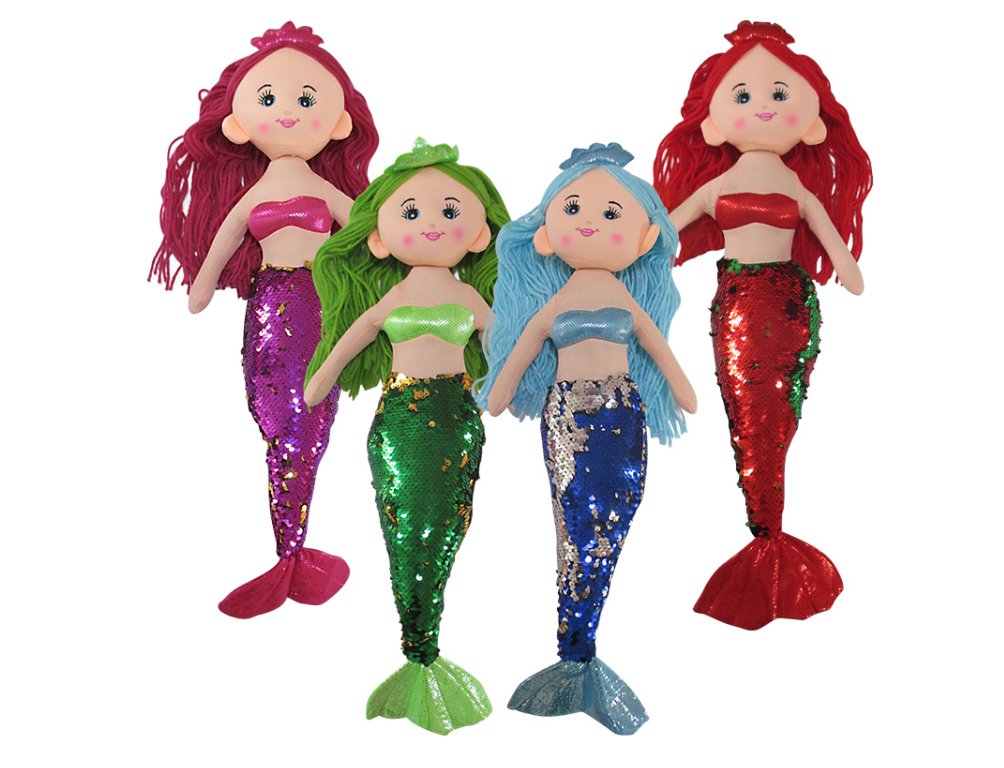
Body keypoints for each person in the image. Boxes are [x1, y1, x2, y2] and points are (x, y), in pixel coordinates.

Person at [151, 22, 378, 618]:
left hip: (319, 304)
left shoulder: (323, 189)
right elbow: (226, 239)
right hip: (269, 307)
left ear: (337, 123)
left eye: (306, 99)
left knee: (312, 415)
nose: (287, 111)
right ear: (238, 123)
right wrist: (202, 283)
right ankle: (288, 549)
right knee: (273, 410)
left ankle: (295, 549)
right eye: (270, 98)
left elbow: (366, 229)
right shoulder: (255, 195)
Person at [654, 20, 872, 630]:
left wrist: (846, 268)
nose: (763, 106)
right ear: (714, 125)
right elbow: (663, 232)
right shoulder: (717, 186)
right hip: (736, 305)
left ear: (813, 124)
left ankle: (771, 535)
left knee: (780, 413)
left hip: (790, 304)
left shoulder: (798, 188)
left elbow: (839, 253)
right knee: (746, 416)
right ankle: (764, 529)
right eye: (743, 95)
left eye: (780, 94)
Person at [478, 143, 696, 734]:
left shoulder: (627, 300)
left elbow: (658, 348)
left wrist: (681, 388)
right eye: (573, 210)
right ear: (546, 236)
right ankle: (575, 648)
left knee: (617, 511)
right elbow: (524, 349)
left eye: (611, 213)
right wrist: (499, 390)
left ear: (644, 239)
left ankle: (582, 638)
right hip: (567, 418)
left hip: (624, 415)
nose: (591, 223)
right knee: (573, 519)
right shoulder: (554, 303)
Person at [305, 139, 508, 735]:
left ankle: (427, 641)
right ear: (378, 238)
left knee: (444, 529)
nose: (429, 224)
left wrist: (514, 385)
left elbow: (506, 345)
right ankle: (416, 644)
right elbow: (349, 341)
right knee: (401, 528)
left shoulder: (469, 297)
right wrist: (320, 379)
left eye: (450, 212)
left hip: (456, 419)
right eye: (411, 213)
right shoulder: (391, 297)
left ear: (478, 235)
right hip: (397, 420)